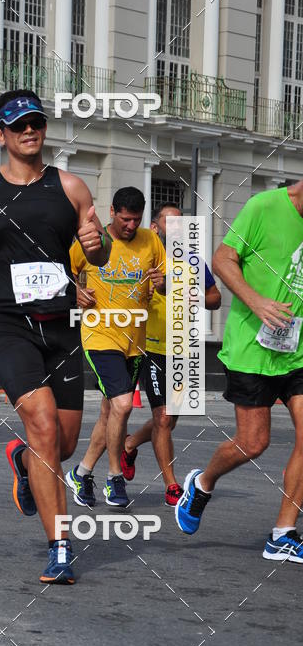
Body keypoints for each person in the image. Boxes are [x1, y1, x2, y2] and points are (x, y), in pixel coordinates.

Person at [0, 89, 111, 584]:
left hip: (61, 325)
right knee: (44, 426)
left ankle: (23, 459)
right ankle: (60, 549)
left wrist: (97, 244)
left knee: (63, 445)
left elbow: (98, 252)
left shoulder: (71, 187)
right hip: (8, 324)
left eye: (35, 123)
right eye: (18, 126)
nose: (29, 131)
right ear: (1, 134)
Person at [175, 181, 303, 564]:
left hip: (297, 352)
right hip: (251, 349)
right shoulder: (264, 206)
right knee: (253, 443)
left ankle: (282, 534)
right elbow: (222, 260)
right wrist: (257, 301)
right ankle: (203, 483)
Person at [66, 187, 165, 509]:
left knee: (111, 412)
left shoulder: (151, 241)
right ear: (112, 212)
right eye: (125, 219)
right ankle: (114, 477)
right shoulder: (93, 241)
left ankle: (81, 473)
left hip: (135, 342)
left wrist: (163, 283)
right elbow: (64, 271)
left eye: (137, 220)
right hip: (100, 335)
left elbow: (167, 281)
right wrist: (75, 291)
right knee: (123, 405)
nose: (131, 226)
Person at [121, 203, 221, 506]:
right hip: (151, 348)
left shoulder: (193, 261)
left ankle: (129, 444)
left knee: (169, 420)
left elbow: (215, 298)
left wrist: (191, 294)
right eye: (171, 222)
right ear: (155, 227)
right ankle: (172, 486)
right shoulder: (143, 260)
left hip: (183, 350)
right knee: (163, 418)